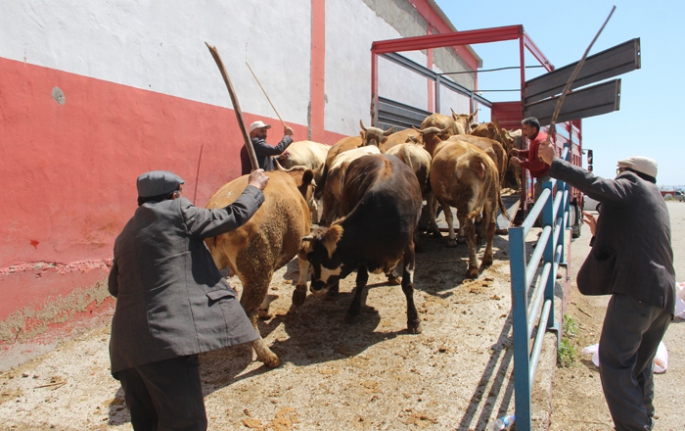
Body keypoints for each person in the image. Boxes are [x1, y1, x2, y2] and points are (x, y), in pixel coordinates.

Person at [108, 169, 269, 431]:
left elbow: (114, 287)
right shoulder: (178, 211)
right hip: (167, 344)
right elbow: (232, 216)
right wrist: (254, 187)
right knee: (186, 424)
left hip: (126, 350)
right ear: (173, 195)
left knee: (148, 425)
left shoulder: (125, 234)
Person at [538, 144, 675, 431]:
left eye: (620, 172)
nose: (618, 177)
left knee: (614, 365)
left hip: (637, 294)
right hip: (663, 298)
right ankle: (644, 423)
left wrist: (556, 162)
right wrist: (599, 233)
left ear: (631, 173)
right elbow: (636, 242)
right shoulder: (654, 199)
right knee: (640, 368)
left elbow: (597, 185)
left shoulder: (633, 185)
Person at [509, 117, 550, 226]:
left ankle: (547, 231)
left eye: (526, 129)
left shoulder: (539, 142)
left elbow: (539, 165)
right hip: (543, 177)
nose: (524, 132)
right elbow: (533, 155)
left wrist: (520, 163)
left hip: (544, 177)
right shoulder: (536, 139)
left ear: (534, 129)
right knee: (542, 205)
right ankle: (546, 230)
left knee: (541, 206)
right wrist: (520, 152)